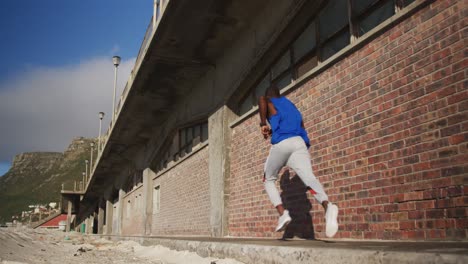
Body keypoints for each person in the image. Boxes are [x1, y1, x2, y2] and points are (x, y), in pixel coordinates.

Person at [258, 85, 339, 238]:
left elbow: (262, 99)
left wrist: (263, 123)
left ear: (270, 96)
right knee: (309, 178)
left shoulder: (268, 100)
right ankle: (327, 206)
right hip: (299, 143)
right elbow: (301, 125)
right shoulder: (292, 106)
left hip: (282, 143)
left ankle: (283, 214)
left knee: (268, 180)